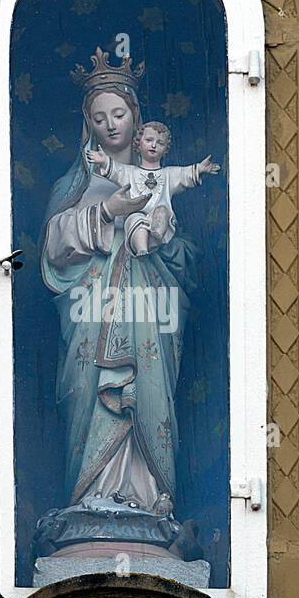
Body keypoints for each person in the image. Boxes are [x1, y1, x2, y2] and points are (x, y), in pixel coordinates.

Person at [40, 49, 201, 523]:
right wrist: (108, 213)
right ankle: (91, 499)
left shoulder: (159, 183)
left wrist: (161, 246)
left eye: (119, 114)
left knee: (146, 391)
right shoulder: (74, 184)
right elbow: (52, 248)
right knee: (92, 399)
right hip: (91, 317)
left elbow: (190, 264)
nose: (110, 126)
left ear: (136, 117)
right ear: (87, 125)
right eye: (98, 118)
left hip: (150, 315)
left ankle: (150, 499)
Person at [86, 119, 219, 257]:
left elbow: (185, 174)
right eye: (149, 140)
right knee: (135, 219)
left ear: (165, 149)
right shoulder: (130, 172)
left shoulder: (169, 174)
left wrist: (200, 169)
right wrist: (103, 160)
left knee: (162, 211)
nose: (154, 145)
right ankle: (142, 249)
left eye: (160, 143)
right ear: (139, 143)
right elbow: (116, 170)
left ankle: (156, 236)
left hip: (160, 223)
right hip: (136, 219)